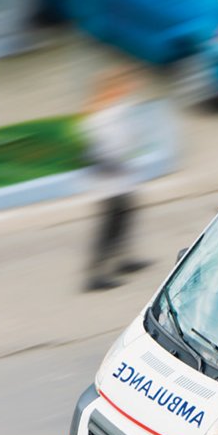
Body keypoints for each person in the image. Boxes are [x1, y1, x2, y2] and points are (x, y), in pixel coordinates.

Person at [82, 65, 151, 291]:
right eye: (126, 84)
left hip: (122, 179)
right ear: (113, 87)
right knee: (109, 228)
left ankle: (123, 260)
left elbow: (131, 137)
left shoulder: (117, 110)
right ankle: (93, 275)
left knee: (125, 220)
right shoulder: (100, 118)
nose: (130, 87)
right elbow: (104, 152)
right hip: (111, 183)